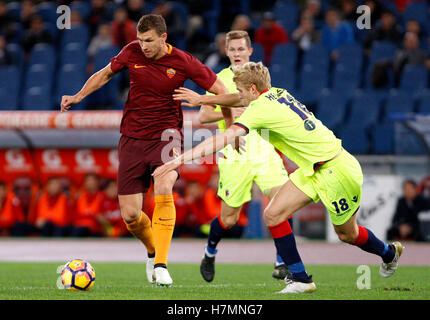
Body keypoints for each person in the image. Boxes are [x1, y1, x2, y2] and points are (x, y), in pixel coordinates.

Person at [159, 61, 404, 294]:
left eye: (243, 91)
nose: (240, 96)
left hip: (335, 170)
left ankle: (388, 253)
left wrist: (180, 159)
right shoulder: (276, 92)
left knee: (347, 234)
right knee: (274, 214)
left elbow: (223, 137)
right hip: (313, 169)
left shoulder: (259, 110)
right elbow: (237, 99)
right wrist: (204, 99)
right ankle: (300, 278)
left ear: (253, 89)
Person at [60, 14, 231, 287]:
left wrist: (225, 121)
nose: (144, 46)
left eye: (149, 41)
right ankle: (152, 251)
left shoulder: (184, 61)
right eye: (140, 40)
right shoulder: (131, 52)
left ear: (164, 38)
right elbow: (104, 74)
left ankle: (161, 264)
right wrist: (78, 96)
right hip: (131, 138)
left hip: (167, 136)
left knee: (164, 186)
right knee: (130, 215)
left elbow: (221, 89)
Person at [197, 30, 291, 283]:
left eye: (241, 49)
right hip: (234, 152)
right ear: (226, 51)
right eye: (233, 49)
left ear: (250, 51)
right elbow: (203, 116)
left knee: (285, 199)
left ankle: (282, 261)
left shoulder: (261, 77)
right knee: (229, 219)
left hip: (262, 146)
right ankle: (210, 252)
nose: (237, 54)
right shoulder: (219, 79)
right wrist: (230, 109)